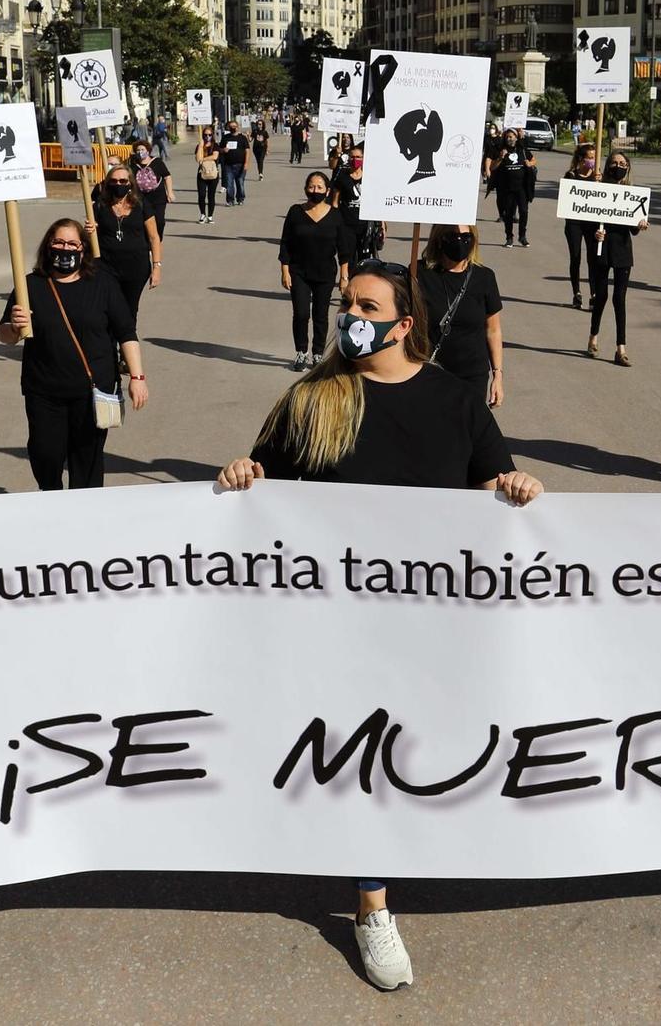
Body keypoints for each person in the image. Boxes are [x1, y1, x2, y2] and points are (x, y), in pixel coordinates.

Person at [216, 263, 542, 993]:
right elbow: (263, 483)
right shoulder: (313, 399)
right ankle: (372, 905)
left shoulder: (456, 401)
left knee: (424, 753)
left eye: (366, 305)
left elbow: (493, 487)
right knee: (368, 756)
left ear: (404, 324)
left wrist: (518, 490)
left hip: (434, 620)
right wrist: (243, 475)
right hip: (342, 622)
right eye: (345, 303)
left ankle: (395, 859)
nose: (350, 314)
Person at [0, 218, 147, 490]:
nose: (64, 248)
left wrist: (137, 376)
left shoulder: (102, 284)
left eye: (72, 243)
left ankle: (85, 518)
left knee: (86, 462)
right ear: (48, 246)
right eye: (58, 242)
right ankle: (50, 494)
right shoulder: (29, 285)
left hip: (92, 391)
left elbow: (126, 332)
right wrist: (15, 327)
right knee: (45, 454)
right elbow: (4, 335)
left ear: (83, 249)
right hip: (43, 391)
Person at [412, 223, 505, 403]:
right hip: (431, 372)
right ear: (439, 239)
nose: (460, 241)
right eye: (453, 235)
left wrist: (498, 376)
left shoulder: (484, 277)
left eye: (466, 236)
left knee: (467, 429)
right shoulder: (420, 273)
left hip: (472, 376)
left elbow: (493, 330)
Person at [279, 171, 352, 370]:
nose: (315, 191)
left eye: (320, 187)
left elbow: (343, 249)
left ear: (327, 190)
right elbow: (285, 243)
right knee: (301, 313)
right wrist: (285, 270)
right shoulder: (295, 212)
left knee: (320, 315)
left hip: (325, 274)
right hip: (299, 272)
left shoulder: (335, 215)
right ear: (305, 189)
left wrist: (344, 277)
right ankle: (301, 352)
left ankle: (318, 354)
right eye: (311, 186)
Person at [587, 153, 647, 366]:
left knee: (619, 299)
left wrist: (639, 224)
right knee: (601, 295)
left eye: (623, 164)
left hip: (622, 251)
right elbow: (588, 218)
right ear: (607, 166)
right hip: (602, 249)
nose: (618, 167)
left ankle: (621, 348)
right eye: (614, 163)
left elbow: (633, 229)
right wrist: (596, 233)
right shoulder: (599, 190)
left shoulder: (631, 194)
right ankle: (593, 337)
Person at [94, 165, 164, 322]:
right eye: (114, 181)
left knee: (129, 308)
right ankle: (109, 344)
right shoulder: (100, 206)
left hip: (136, 269)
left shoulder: (141, 204)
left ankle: (126, 342)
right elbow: (89, 238)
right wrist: (88, 230)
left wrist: (157, 267)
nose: (118, 184)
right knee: (108, 307)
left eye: (122, 181)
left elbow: (154, 237)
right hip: (107, 267)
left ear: (130, 183)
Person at [560, 145, 599, 307]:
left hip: (591, 223)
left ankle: (594, 294)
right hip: (574, 223)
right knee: (576, 257)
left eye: (594, 157)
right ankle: (576, 292)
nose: (592, 161)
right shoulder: (571, 176)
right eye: (590, 157)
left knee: (593, 259)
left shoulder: (597, 176)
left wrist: (599, 183)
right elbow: (566, 199)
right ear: (581, 159)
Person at [491, 129, 536, 247]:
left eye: (512, 137)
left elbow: (534, 160)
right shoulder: (502, 151)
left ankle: (522, 236)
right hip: (507, 188)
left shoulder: (522, 150)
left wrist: (530, 164)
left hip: (521, 188)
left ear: (516, 138)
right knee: (509, 214)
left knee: (524, 211)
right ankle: (509, 238)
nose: (510, 139)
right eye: (507, 137)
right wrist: (501, 158)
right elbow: (493, 167)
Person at [127, 135, 175, 243]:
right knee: (143, 220)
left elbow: (167, 176)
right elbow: (129, 180)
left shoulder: (157, 162)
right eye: (138, 150)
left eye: (142, 149)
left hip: (158, 197)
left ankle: (157, 240)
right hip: (141, 197)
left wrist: (170, 192)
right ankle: (147, 243)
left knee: (159, 221)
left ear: (148, 150)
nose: (140, 152)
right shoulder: (133, 165)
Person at [193, 127, 222, 223]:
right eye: (205, 135)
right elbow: (197, 159)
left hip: (213, 173)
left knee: (211, 195)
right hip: (202, 173)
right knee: (201, 195)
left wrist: (203, 159)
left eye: (209, 135)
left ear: (212, 135)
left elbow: (215, 156)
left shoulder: (215, 145)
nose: (207, 137)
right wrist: (201, 146)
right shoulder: (200, 146)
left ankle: (210, 216)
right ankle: (202, 214)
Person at [218, 122, 250, 206]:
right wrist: (223, 150)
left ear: (238, 127)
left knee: (240, 182)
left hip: (241, 164)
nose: (233, 128)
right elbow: (219, 149)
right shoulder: (225, 137)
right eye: (231, 126)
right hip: (228, 164)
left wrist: (246, 163)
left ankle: (240, 198)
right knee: (229, 183)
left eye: (234, 126)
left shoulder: (242, 138)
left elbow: (247, 150)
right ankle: (230, 200)